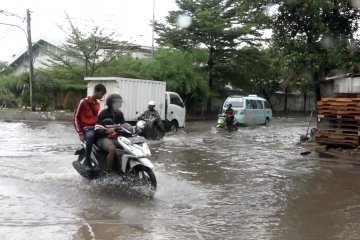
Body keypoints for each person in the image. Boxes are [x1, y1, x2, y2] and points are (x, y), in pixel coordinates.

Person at [73, 84, 107, 170]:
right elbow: (75, 117)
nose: (102, 96)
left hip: (96, 127)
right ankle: (88, 161)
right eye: (101, 94)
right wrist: (80, 133)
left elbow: (96, 118)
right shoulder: (83, 102)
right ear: (96, 91)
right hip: (87, 129)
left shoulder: (97, 104)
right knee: (91, 136)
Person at [95, 94, 126, 172]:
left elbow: (123, 126)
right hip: (103, 138)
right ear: (111, 103)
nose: (120, 104)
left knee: (128, 147)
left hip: (116, 138)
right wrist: (106, 131)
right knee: (112, 149)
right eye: (118, 102)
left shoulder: (120, 114)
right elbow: (98, 128)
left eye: (120, 102)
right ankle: (109, 171)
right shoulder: (103, 113)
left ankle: (124, 168)